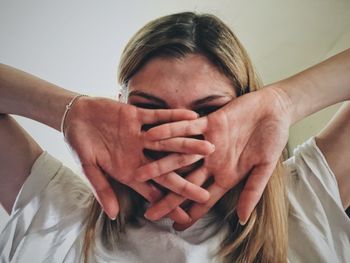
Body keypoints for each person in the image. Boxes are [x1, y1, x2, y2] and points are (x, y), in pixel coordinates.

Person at [0, 12, 349, 263]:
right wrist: (70, 111)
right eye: (150, 110)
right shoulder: (55, 209)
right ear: (117, 109)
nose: (176, 140)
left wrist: (283, 102)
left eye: (209, 111)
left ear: (247, 112)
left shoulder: (303, 201)